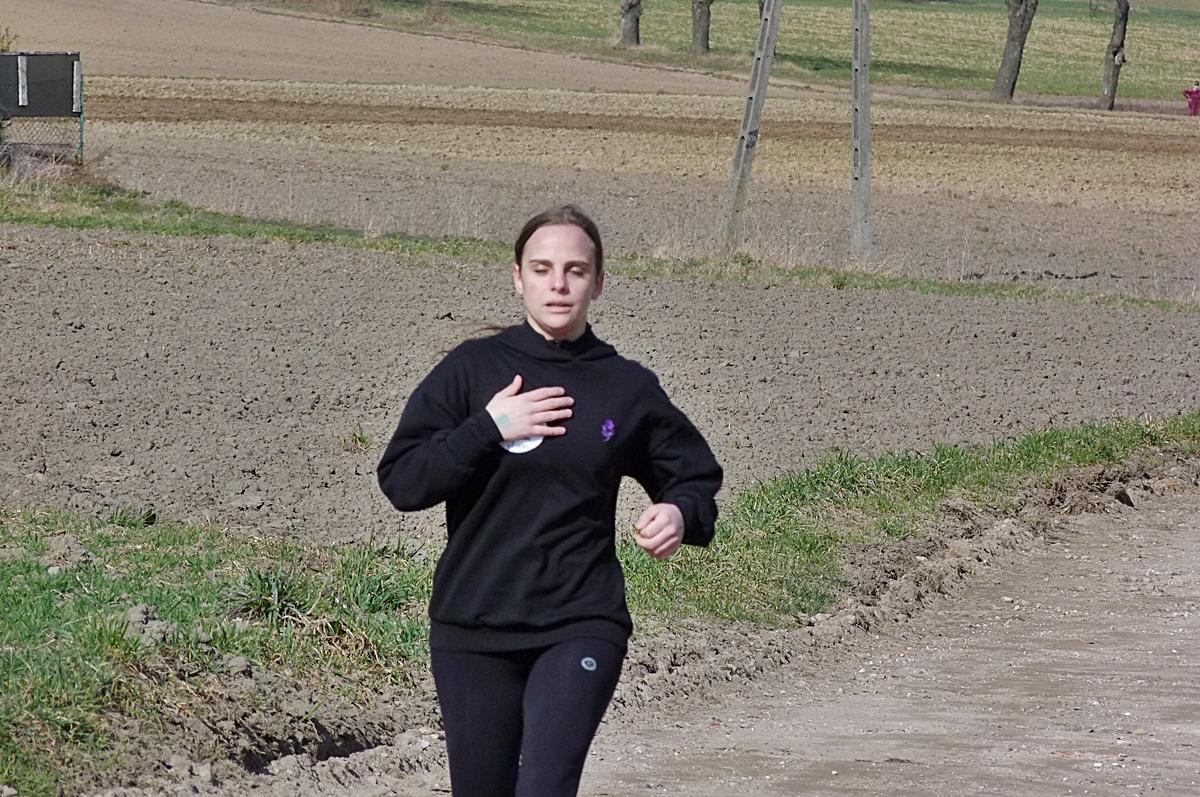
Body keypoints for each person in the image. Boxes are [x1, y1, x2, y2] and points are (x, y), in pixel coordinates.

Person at [376, 205, 723, 797]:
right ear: (518, 278)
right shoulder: (472, 369)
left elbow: (694, 479)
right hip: (474, 624)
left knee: (545, 786)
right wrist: (488, 427)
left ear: (598, 283)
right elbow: (404, 481)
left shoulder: (625, 387)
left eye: (575, 270)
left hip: (579, 620)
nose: (558, 284)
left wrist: (678, 512)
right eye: (542, 269)